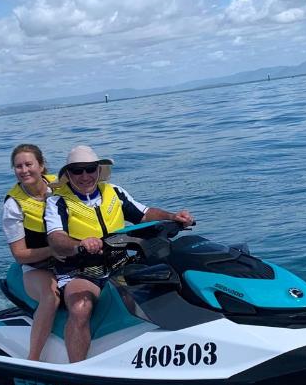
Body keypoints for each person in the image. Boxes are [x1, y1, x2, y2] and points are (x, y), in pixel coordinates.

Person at [45, 145, 194, 364]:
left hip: (120, 263)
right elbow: (56, 238)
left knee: (171, 279)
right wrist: (80, 244)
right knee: (80, 307)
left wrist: (173, 217)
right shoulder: (58, 202)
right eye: (77, 170)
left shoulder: (113, 192)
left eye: (89, 169)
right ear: (68, 174)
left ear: (98, 170)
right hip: (81, 271)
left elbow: (144, 214)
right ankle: (80, 369)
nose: (84, 175)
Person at [1, 143, 60, 362]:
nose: (24, 170)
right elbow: (20, 255)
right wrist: (54, 250)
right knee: (51, 297)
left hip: (72, 257)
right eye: (18, 166)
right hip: (37, 266)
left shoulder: (61, 185)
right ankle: (33, 358)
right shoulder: (13, 205)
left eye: (29, 164)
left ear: (42, 165)